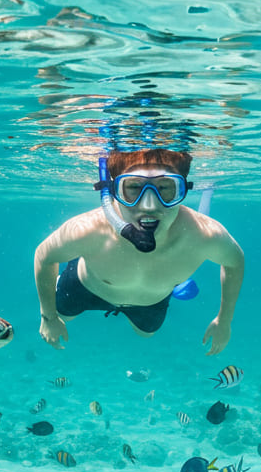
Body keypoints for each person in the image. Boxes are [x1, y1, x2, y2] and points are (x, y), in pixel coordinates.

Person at [34, 148, 245, 356]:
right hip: (85, 287)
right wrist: (48, 317)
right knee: (63, 315)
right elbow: (44, 255)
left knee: (146, 334)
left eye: (165, 188)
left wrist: (224, 321)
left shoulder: (203, 235)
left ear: (182, 192)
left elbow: (235, 261)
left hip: (150, 302)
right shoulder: (89, 230)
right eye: (134, 187)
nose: (150, 206)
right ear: (113, 192)